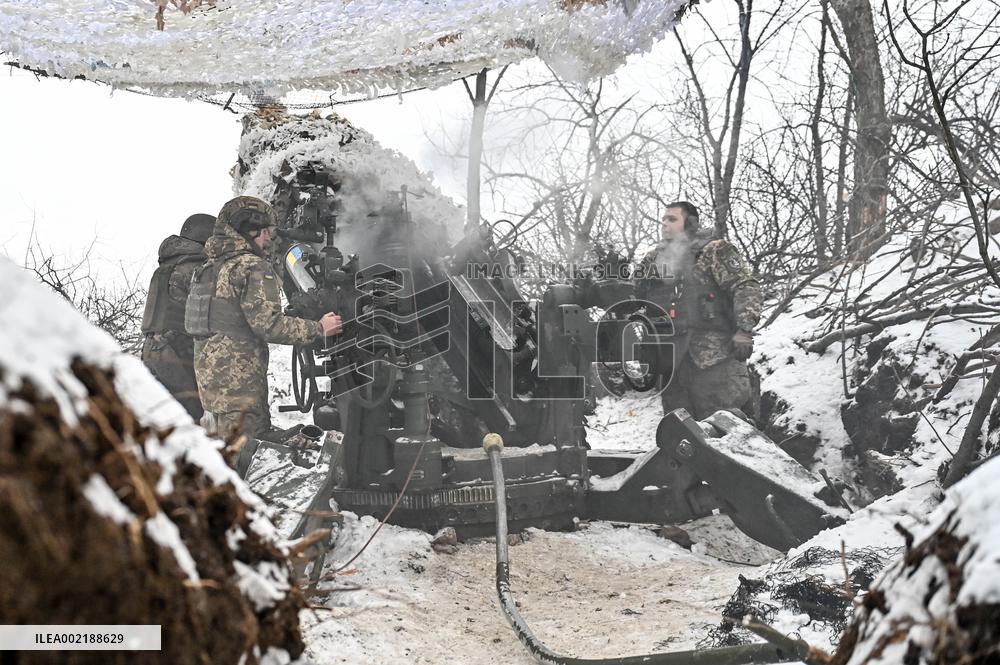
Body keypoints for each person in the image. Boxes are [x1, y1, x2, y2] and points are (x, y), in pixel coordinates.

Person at [185, 195, 342, 476]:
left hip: (211, 391)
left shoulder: (206, 269)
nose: (270, 239)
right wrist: (320, 327)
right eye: (267, 231)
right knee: (245, 466)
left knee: (224, 459)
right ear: (249, 228)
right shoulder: (251, 266)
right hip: (240, 388)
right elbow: (268, 325)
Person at [639, 201, 762, 420]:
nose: (664, 224)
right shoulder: (653, 260)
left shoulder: (714, 250)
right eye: (663, 220)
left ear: (690, 223)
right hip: (673, 364)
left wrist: (745, 329)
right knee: (680, 438)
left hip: (715, 360)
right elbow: (632, 294)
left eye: (672, 219)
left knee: (727, 431)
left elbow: (745, 286)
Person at [140, 213, 215, 420]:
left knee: (162, 413)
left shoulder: (166, 268)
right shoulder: (194, 269)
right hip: (176, 350)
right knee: (191, 415)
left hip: (151, 348)